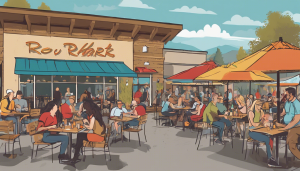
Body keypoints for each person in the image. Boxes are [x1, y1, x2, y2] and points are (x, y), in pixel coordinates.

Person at [71, 99, 106, 163]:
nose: (86, 111)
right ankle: (77, 150)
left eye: (86, 109)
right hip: (99, 134)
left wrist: (84, 125)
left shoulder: (93, 117)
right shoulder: (96, 114)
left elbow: (90, 127)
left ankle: (75, 155)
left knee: (80, 136)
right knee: (80, 135)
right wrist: (86, 122)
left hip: (98, 136)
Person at [248, 100, 279, 167]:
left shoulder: (261, 112)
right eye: (260, 105)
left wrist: (263, 120)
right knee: (267, 139)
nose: (261, 107)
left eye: (261, 105)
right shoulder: (251, 112)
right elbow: (253, 124)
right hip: (252, 132)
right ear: (256, 105)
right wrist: (260, 123)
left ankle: (270, 155)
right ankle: (270, 159)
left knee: (271, 137)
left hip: (259, 130)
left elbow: (261, 123)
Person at [276, 87, 300, 160]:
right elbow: (284, 112)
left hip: (295, 126)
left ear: (291, 94)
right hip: (286, 125)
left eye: (286, 95)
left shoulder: (297, 104)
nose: (285, 96)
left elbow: (296, 120)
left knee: (291, 145)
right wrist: (276, 115)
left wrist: (286, 128)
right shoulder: (287, 102)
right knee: (273, 130)